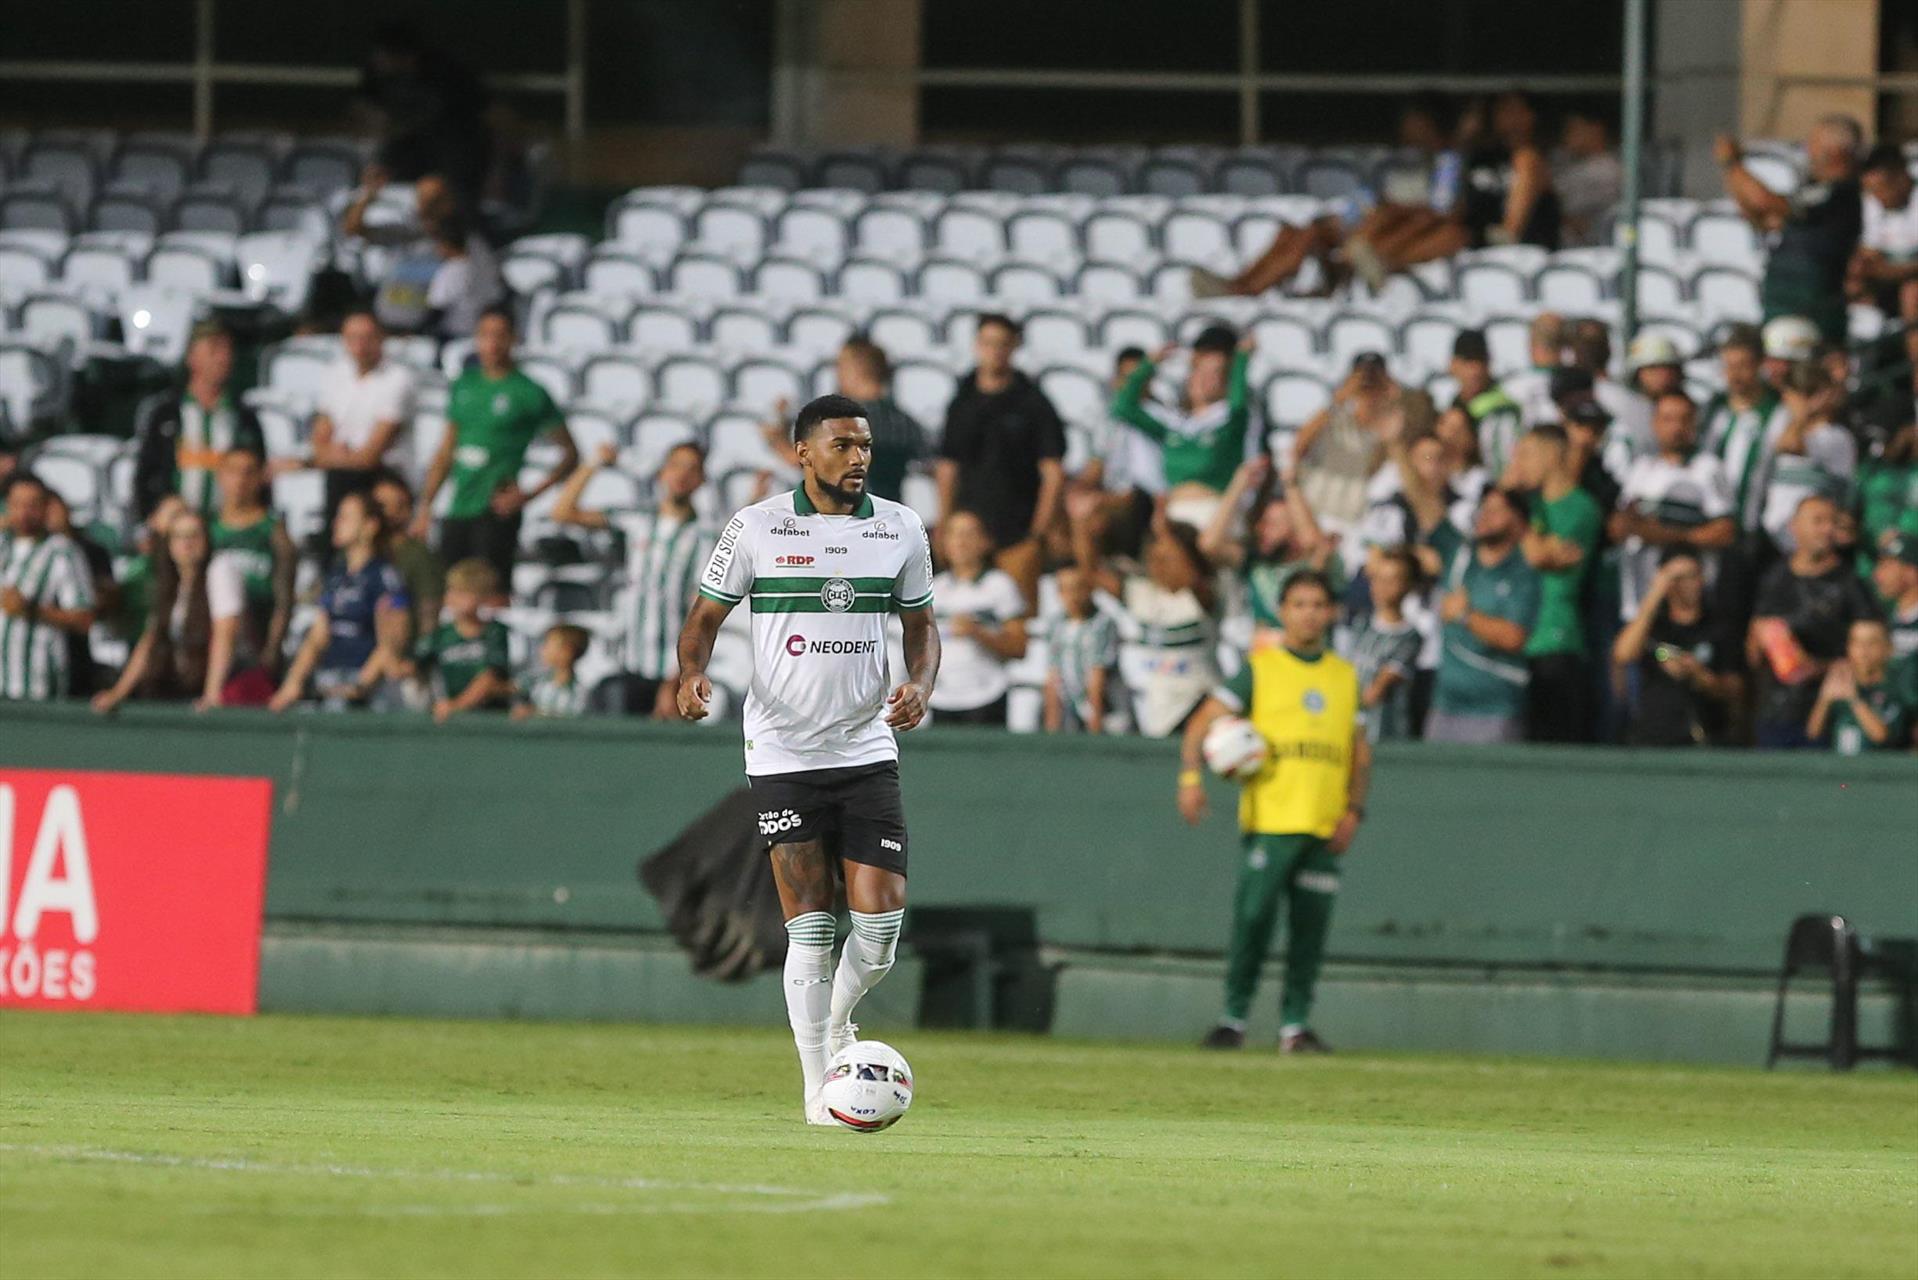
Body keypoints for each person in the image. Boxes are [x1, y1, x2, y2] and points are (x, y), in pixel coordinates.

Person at [675, 393, 940, 1127]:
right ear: (803, 451)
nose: (859, 458)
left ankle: (835, 1029)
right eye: (843, 445)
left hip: (864, 746)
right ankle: (813, 1089)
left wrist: (920, 683)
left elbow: (921, 626)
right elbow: (702, 620)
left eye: (865, 446)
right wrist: (690, 672)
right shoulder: (756, 527)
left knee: (881, 932)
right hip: (784, 749)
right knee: (812, 926)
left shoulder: (900, 528)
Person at [1179, 571, 1370, 1053]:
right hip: (1272, 821)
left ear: (1331, 613)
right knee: (1254, 921)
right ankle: (1233, 1019)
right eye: (1299, 604)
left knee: (1310, 932)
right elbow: (1203, 722)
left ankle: (1294, 1027)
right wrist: (1191, 777)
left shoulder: (1344, 677)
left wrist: (1354, 810)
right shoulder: (1260, 669)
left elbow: (1358, 748)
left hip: (1324, 824)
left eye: (1318, 604)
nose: (1309, 613)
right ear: (1282, 612)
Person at [415, 305, 578, 589]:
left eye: (499, 335)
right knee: (451, 592)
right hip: (458, 506)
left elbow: (570, 454)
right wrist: (426, 506)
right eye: (485, 335)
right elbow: (446, 449)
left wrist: (527, 495)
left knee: (490, 593)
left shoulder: (529, 392)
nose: (492, 343)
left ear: (513, 338)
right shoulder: (464, 384)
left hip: (496, 509)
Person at [1392, 436, 1540, 743]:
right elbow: (1424, 503)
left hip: (1497, 710)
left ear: (1519, 522)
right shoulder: (1458, 554)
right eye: (1484, 508)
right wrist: (1395, 442)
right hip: (1445, 706)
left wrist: (1465, 616)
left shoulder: (1523, 574)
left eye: (1497, 510)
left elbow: (1514, 637)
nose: (1485, 515)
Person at [552, 441, 710, 718]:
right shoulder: (637, 519)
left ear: (701, 480)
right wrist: (593, 464)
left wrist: (679, 677)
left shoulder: (703, 534)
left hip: (673, 670)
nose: (682, 475)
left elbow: (701, 612)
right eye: (675, 466)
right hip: (629, 664)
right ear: (662, 472)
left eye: (692, 469)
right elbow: (563, 512)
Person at [936, 313, 1067, 608]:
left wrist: (1037, 536)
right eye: (988, 343)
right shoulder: (961, 402)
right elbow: (947, 469)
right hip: (968, 535)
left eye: (1002, 343)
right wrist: (945, 526)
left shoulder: (1034, 403)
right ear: (976, 345)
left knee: (1018, 629)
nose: (994, 350)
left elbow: (1053, 474)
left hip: (1017, 534)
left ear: (1014, 347)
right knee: (962, 620)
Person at [91, 508, 257, 713]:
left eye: (194, 535)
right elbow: (150, 640)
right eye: (179, 537)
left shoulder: (220, 569)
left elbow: (224, 635)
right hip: (184, 687)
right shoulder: (171, 582)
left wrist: (212, 694)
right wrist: (118, 693)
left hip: (231, 688)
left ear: (207, 540)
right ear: (169, 544)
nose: (187, 543)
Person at [1746, 495, 1879, 748]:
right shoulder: (1774, 579)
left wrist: (1815, 667)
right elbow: (1753, 649)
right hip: (1775, 713)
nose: (1827, 529)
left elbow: (1872, 656)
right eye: (1818, 521)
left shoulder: (1851, 584)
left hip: (1828, 715)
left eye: (1833, 522)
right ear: (1794, 527)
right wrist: (1764, 642)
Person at [1716, 116, 1863, 342]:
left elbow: (1766, 202)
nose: (1808, 152)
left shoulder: (1839, 192)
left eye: (1813, 144)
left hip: (1813, 302)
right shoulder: (1816, 189)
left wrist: (1733, 164)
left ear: (1835, 151)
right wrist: (1731, 171)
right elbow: (1761, 217)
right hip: (1786, 296)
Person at [270, 492, 412, 711]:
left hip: (367, 687)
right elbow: (318, 636)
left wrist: (361, 685)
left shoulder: (383, 576)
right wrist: (293, 682)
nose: (336, 524)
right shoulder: (336, 576)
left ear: (370, 526)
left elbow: (393, 639)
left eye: (345, 517)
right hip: (330, 677)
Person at [1108, 327, 1258, 524]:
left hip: (1215, 514)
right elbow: (1122, 408)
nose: (1204, 379)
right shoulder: (1174, 426)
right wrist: (1149, 364)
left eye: (1215, 373)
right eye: (1198, 370)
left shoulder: (1229, 422)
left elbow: (1238, 405)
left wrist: (1241, 360)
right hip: (1174, 513)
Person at [1610, 391, 1737, 625]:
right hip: (1639, 605)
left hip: (1687, 611)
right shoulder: (1641, 469)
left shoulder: (1708, 468)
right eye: (1668, 419)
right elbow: (1619, 528)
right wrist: (1633, 525)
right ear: (1655, 424)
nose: (1676, 428)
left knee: (1671, 658)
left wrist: (1668, 536)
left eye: (1684, 419)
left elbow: (1725, 532)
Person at [1510, 424, 1603, 742]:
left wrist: (1524, 525)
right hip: (1520, 638)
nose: (1518, 464)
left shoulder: (1580, 506)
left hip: (1556, 638)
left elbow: (1539, 557)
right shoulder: (1529, 508)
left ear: (1551, 455)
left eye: (1526, 454)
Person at [761, 339, 929, 504]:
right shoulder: (906, 423)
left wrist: (776, 438)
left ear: (854, 370)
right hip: (887, 519)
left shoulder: (841, 420)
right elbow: (932, 466)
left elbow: (805, 461)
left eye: (840, 368)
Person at [132, 321, 266, 520]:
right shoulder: (165, 414)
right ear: (192, 357)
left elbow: (260, 474)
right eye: (214, 349)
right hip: (176, 528)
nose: (223, 357)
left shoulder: (244, 417)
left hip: (230, 529)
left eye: (227, 350)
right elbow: (147, 475)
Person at [1611, 551, 1744, 747]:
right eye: (1679, 578)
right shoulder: (1653, 627)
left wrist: (1701, 677)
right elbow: (1623, 654)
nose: (1690, 584)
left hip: (1704, 738)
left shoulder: (1718, 626)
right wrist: (1654, 595)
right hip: (1654, 738)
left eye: (1694, 575)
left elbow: (1736, 688)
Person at [309, 309, 416, 522]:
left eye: (367, 338)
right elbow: (319, 440)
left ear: (380, 338)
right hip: (343, 471)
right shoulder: (335, 374)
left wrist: (333, 456)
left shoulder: (398, 379)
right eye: (352, 338)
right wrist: (334, 456)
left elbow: (372, 454)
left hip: (385, 474)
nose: (360, 345)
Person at [0, 473, 97, 701]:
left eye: (32, 505)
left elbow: (84, 618)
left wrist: (32, 610)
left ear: (46, 508)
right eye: (17, 504)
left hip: (35, 685)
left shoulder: (63, 552)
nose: (24, 513)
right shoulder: (3, 545)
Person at [928, 510, 1028, 727]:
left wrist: (978, 633)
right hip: (942, 697)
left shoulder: (1000, 586)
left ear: (985, 542)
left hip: (987, 694)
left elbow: (1019, 647)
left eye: (969, 534)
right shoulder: (935, 588)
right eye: (954, 534)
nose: (961, 542)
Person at [208, 446, 296, 678]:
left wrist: (272, 650)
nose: (240, 480)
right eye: (233, 471)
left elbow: (284, 599)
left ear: (260, 478)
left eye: (248, 472)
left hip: (258, 640)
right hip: (210, 645)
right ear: (220, 475)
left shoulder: (273, 531)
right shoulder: (206, 528)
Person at [1289, 351, 1394, 535]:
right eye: (1362, 377)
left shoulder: (1389, 429)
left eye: (1375, 378)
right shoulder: (1331, 418)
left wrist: (1392, 399)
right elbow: (1297, 447)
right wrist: (1339, 398)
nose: (1368, 384)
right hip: (1314, 517)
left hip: (1356, 525)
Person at [1761, 362, 1857, 554]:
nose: (1786, 399)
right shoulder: (1780, 420)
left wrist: (1803, 413)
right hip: (1772, 535)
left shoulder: (1838, 437)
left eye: (1793, 394)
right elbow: (1781, 444)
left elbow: (1791, 445)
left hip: (1810, 540)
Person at [1701, 325, 1783, 538]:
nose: (1734, 375)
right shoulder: (1711, 411)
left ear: (1760, 365)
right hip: (1711, 528)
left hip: (1757, 531)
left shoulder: (1778, 412)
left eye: (1743, 366)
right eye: (1728, 366)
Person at [408, 558, 513, 722]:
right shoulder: (440, 635)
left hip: (492, 718)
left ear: (481, 596)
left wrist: (457, 705)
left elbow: (489, 678)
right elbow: (411, 666)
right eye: (452, 591)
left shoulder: (495, 632)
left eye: (464, 592)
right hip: (453, 720)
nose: (454, 597)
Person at [1851, 143, 1918, 373]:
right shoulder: (1873, 203)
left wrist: (1889, 271)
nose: (1877, 198)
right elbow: (1870, 254)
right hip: (1885, 282)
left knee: (1912, 293)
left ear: (1901, 178)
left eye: (1881, 189)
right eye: (1871, 191)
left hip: (1909, 287)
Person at [1347, 546, 1423, 743]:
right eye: (1377, 579)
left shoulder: (1410, 637)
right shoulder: (1358, 624)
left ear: (1408, 586)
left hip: (1385, 737)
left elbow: (1375, 692)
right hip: (1350, 733)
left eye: (1391, 580)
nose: (1381, 587)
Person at [1808, 619, 1909, 754]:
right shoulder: (1841, 683)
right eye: (1856, 642)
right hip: (1840, 768)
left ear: (1888, 648)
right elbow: (1813, 733)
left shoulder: (1896, 688)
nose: (1863, 650)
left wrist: (1854, 699)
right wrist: (1825, 698)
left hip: (1881, 769)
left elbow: (1881, 736)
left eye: (1871, 643)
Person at [369, 468, 445, 642]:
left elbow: (429, 610)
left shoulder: (418, 554)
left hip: (402, 649)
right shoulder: (356, 553)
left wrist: (422, 655)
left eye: (398, 505)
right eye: (379, 506)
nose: (386, 513)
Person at [1043, 564, 1117, 734]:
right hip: (1069, 704)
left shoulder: (1102, 624)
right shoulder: (1056, 624)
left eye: (1077, 588)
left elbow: (1098, 676)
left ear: (1089, 589)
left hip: (1104, 708)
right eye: (1065, 590)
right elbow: (1052, 675)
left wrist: (1095, 724)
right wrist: (1051, 726)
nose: (1072, 596)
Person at [1448, 330, 1524, 481]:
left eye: (1481, 362)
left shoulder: (1503, 409)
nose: (1475, 371)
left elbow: (1505, 466)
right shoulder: (1453, 405)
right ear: (1453, 365)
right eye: (1467, 362)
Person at [423, 210, 506, 340]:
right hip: (483, 330)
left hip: (456, 334)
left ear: (445, 245)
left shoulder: (448, 272)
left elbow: (435, 311)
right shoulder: (482, 260)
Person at [1555, 109, 1622, 247]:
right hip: (1567, 251)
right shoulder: (1568, 163)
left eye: (1574, 129)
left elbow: (1562, 209)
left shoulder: (1608, 170)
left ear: (1596, 129)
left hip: (1595, 252)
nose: (1567, 135)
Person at [513, 623, 591, 721]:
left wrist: (534, 713)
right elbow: (511, 688)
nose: (542, 649)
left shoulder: (579, 691)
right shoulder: (534, 681)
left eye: (548, 643)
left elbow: (571, 720)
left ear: (567, 651)